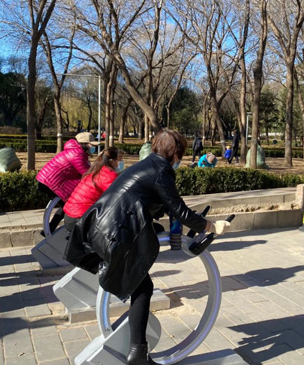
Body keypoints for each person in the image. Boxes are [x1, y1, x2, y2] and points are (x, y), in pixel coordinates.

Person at [65, 129, 231, 365]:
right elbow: (179, 211)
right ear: (175, 153)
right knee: (143, 288)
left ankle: (137, 351)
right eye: (180, 154)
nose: (179, 160)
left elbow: (148, 200)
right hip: (115, 234)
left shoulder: (147, 164)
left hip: (98, 229)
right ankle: (137, 354)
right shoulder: (162, 171)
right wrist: (211, 226)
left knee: (140, 286)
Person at [36, 132, 99, 235]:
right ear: (84, 144)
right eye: (91, 145)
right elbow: (87, 174)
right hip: (50, 183)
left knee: (66, 207)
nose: (93, 148)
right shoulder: (77, 154)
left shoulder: (75, 151)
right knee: (70, 207)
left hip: (47, 181)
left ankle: (48, 231)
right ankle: (65, 231)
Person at [62, 147, 122, 232]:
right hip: (79, 219)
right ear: (112, 162)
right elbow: (117, 197)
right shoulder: (108, 175)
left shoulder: (96, 171)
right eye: (119, 160)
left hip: (70, 216)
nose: (121, 162)